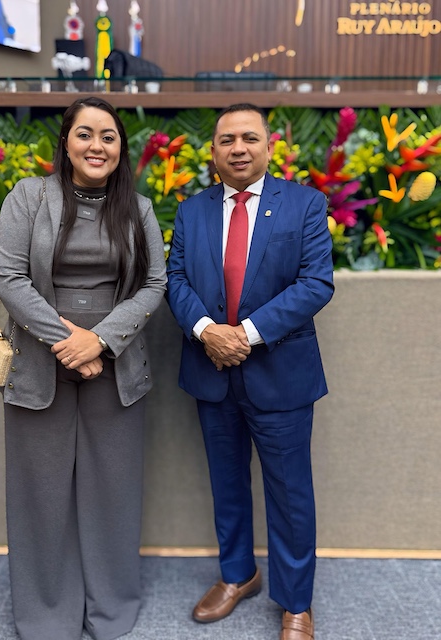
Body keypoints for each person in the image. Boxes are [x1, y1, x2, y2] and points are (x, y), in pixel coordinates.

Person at [0, 96, 167, 640]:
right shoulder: (28, 196)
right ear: (65, 142)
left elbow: (154, 284)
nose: (97, 145)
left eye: (108, 136)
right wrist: (71, 342)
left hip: (115, 365)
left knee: (113, 489)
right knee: (39, 492)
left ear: (120, 148)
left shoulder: (137, 208)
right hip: (40, 361)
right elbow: (7, 275)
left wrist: (101, 343)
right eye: (85, 134)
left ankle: (109, 608)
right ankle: (46, 615)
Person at [167, 103, 334, 640]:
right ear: (213, 151)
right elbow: (174, 280)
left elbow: (315, 284)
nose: (238, 148)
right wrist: (206, 331)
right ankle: (238, 575)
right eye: (226, 140)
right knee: (227, 485)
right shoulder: (191, 211)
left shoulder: (305, 205)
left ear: (268, 145)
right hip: (210, 369)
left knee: (290, 492)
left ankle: (295, 602)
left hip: (279, 373)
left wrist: (246, 334)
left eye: (249, 138)